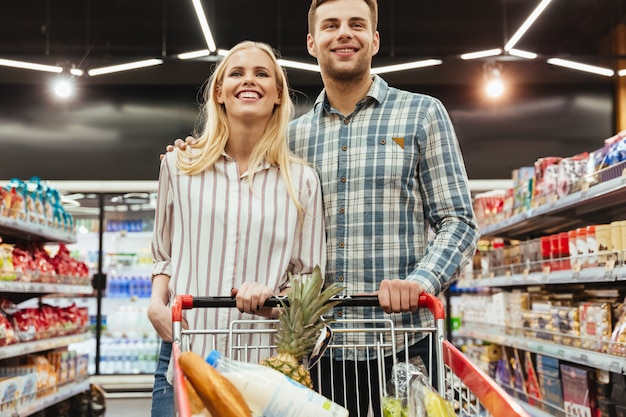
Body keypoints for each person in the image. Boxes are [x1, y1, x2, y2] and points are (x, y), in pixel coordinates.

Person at [166, 0, 479, 415]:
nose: (344, 33)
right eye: (331, 25)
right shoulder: (289, 139)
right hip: (318, 351)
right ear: (313, 42)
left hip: (402, 340)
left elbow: (458, 221)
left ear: (375, 39)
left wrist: (420, 281)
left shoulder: (421, 114)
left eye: (357, 24)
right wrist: (193, 151)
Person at [148, 40, 326, 417]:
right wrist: (154, 304)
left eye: (263, 74)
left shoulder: (302, 182)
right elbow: (163, 255)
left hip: (262, 374)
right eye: (237, 73)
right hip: (186, 360)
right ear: (219, 92)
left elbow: (308, 280)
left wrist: (273, 301)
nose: (250, 80)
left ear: (278, 95)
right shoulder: (179, 167)